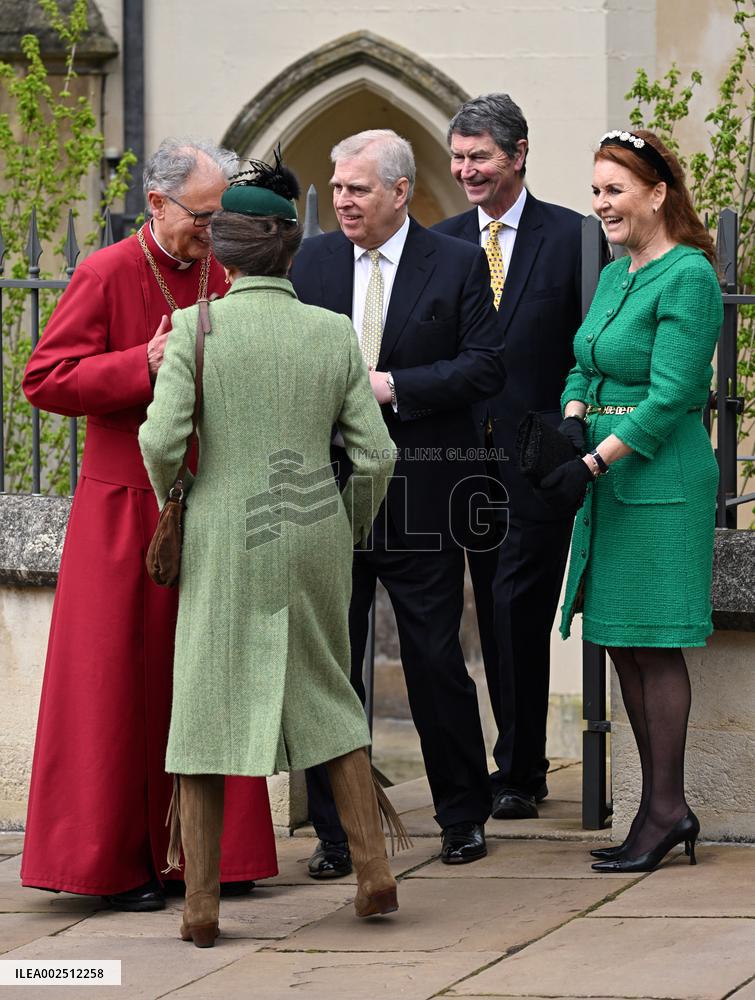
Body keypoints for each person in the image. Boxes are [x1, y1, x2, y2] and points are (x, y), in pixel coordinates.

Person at [139, 153, 400, 946]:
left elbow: (160, 439)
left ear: (223, 249)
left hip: (224, 531)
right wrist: (345, 521)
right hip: (314, 530)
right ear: (289, 248)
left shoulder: (194, 327)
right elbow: (377, 456)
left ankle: (202, 907)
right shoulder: (330, 333)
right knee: (327, 692)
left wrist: (177, 497)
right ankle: (374, 873)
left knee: (206, 703)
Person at [21, 139, 277, 910]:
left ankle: (211, 854)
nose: (214, 227)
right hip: (121, 510)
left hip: (210, 497)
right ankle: (119, 861)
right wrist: (141, 361)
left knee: (208, 678)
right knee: (117, 685)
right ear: (157, 204)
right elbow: (44, 379)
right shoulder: (104, 272)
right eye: (204, 214)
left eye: (221, 213)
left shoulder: (222, 272)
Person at [291, 128, 506, 874]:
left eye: (356, 188)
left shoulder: (454, 261)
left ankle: (460, 815)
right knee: (331, 666)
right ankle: (336, 832)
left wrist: (393, 387)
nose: (342, 200)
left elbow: (484, 366)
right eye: (338, 187)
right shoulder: (309, 259)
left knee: (433, 659)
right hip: (325, 493)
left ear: (399, 192)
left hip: (421, 492)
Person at [540, 128, 722, 872]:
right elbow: (583, 361)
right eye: (594, 191)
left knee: (651, 639)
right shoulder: (617, 275)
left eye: (614, 190)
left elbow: (675, 392)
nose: (600, 204)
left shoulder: (688, 276)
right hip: (605, 476)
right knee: (616, 636)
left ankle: (667, 807)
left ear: (657, 193)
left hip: (659, 479)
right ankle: (659, 809)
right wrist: (572, 421)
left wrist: (592, 460)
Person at [435, 94, 585, 820]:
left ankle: (519, 768)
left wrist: (569, 443)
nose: (465, 170)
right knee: (491, 611)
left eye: (479, 157)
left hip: (540, 460)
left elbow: (585, 350)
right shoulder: (440, 242)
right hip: (462, 460)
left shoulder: (574, 238)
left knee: (516, 603)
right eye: (458, 157)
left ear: (517, 154)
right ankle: (515, 762)